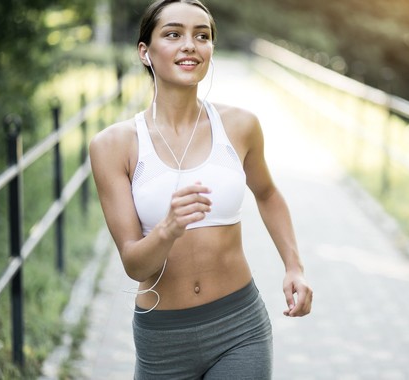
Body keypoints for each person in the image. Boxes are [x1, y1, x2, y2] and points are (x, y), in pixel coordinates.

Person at [88, 0, 313, 378]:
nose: (190, 45)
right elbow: (134, 264)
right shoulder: (114, 145)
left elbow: (268, 193)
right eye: (173, 34)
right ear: (145, 52)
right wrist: (168, 228)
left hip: (240, 328)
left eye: (202, 36)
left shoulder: (240, 125)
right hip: (163, 338)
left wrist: (295, 267)